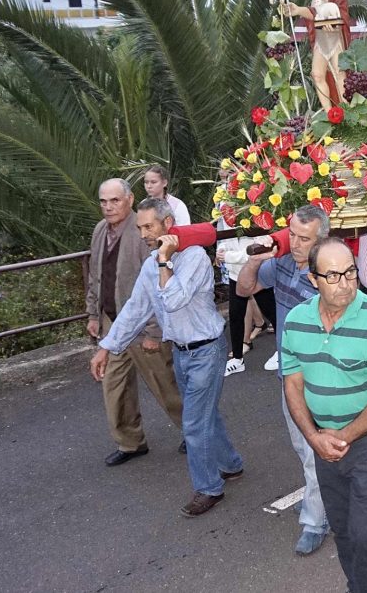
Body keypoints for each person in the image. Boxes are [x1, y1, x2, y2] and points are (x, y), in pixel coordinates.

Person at [89, 198, 241, 517]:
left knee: (194, 422)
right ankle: (231, 464)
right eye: (140, 227)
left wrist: (163, 261)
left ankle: (208, 488)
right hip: (182, 353)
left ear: (168, 225)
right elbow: (135, 310)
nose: (143, 233)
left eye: (149, 226)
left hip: (206, 350)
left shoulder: (196, 258)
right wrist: (107, 346)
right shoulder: (150, 264)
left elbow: (172, 301)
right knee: (204, 416)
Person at [281, 238, 367, 593]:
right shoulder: (296, 321)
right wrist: (313, 436)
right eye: (333, 275)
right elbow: (293, 384)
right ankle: (359, 586)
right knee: (341, 527)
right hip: (322, 440)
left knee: (366, 533)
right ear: (313, 279)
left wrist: (343, 437)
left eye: (350, 272)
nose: (346, 283)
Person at [236, 205, 333, 555]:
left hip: (320, 382)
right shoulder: (283, 264)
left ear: (321, 240)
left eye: (304, 238)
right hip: (289, 378)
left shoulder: (332, 275)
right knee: (302, 448)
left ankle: (315, 521)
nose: (294, 243)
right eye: (291, 234)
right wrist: (255, 258)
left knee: (313, 452)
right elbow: (244, 290)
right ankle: (320, 497)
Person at [86, 179, 184, 467]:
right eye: (103, 201)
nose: (108, 207)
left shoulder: (143, 230)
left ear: (129, 200)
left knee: (166, 387)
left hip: (144, 328)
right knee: (115, 389)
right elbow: (95, 274)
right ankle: (130, 443)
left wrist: (154, 330)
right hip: (114, 326)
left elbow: (159, 281)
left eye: (114, 200)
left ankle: (195, 432)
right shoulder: (100, 230)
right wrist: (94, 314)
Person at [285, 0, 351, 110]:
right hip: (322, 39)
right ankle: (330, 114)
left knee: (339, 75)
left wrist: (333, 20)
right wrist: (298, 10)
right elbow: (315, 13)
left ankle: (346, 113)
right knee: (317, 74)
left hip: (335, 39)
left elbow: (342, 12)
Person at [216, 230, 277, 376]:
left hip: (258, 273)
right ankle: (237, 360)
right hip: (235, 275)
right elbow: (225, 237)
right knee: (236, 316)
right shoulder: (226, 211)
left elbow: (258, 249)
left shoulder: (254, 213)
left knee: (273, 314)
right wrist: (221, 250)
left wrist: (228, 256)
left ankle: (284, 352)